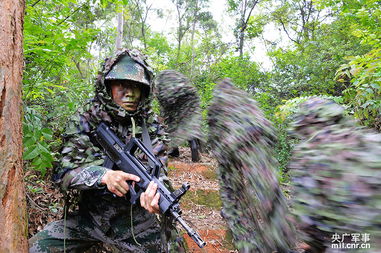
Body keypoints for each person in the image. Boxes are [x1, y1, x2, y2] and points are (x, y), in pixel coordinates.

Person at [29, 49, 183, 253]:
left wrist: (157, 196)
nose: (130, 93)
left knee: (175, 248)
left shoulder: (152, 127)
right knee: (36, 247)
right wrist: (104, 175)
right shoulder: (86, 119)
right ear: (107, 86)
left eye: (138, 86)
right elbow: (62, 174)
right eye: (122, 85)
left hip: (135, 224)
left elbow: (159, 173)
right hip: (88, 219)